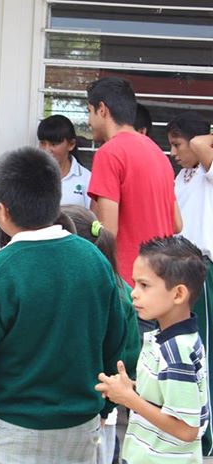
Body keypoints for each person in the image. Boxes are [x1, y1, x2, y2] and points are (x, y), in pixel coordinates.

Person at [0, 147, 126, 463]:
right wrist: (105, 406)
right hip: (81, 424)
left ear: (1, 210)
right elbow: (115, 341)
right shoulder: (93, 260)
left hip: (12, 427)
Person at [96, 236, 209, 464]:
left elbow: (186, 428)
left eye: (144, 285)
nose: (134, 293)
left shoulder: (177, 351)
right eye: (135, 283)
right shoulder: (166, 337)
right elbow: (166, 395)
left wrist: (129, 399)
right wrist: (132, 390)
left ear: (178, 294)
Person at [61, 204, 142, 464]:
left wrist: (105, 407)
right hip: (102, 407)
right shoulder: (120, 288)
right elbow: (129, 356)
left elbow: (122, 360)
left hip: (91, 409)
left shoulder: (88, 294)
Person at [87, 76, 181, 286]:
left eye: (89, 111)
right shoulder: (157, 153)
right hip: (162, 283)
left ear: (102, 109)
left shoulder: (109, 153)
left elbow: (108, 232)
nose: (88, 121)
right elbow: (176, 224)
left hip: (128, 283)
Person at [167, 113, 213, 456]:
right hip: (180, 267)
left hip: (204, 269)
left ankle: (208, 433)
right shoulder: (184, 174)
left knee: (205, 351)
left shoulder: (208, 171)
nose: (174, 152)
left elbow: (200, 143)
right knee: (185, 350)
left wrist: (199, 139)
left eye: (177, 144)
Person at [37, 114, 92, 208]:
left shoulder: (87, 179)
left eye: (53, 144)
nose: (46, 150)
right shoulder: (30, 177)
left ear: (71, 144)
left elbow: (94, 220)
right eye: (42, 143)